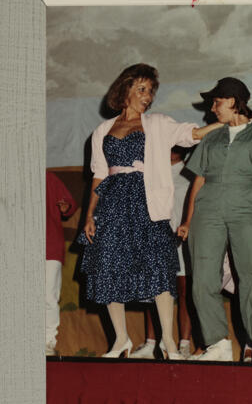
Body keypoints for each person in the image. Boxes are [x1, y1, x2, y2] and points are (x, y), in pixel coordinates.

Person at [78, 63, 223, 360]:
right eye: (142, 89)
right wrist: (88, 216)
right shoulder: (103, 130)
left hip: (148, 203)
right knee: (109, 268)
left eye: (151, 91)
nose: (148, 96)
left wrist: (225, 124)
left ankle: (168, 342)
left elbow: (191, 134)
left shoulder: (156, 123)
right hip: (113, 204)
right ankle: (121, 340)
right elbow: (98, 174)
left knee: (158, 268)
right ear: (126, 88)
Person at [178, 77, 252, 363]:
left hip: (246, 208)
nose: (212, 108)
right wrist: (188, 221)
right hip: (208, 210)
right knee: (202, 279)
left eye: (216, 102)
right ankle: (217, 344)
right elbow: (198, 181)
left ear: (232, 101)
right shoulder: (212, 137)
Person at [130, 146, 193, 360]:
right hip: (157, 242)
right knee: (154, 292)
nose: (167, 150)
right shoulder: (153, 177)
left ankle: (184, 343)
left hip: (182, 243)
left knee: (185, 293)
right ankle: (151, 343)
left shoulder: (190, 177)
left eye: (173, 147)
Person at [46, 171, 78, 355]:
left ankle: (48, 340)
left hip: (49, 246)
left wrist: (66, 207)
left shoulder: (48, 178)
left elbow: (69, 203)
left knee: (48, 296)